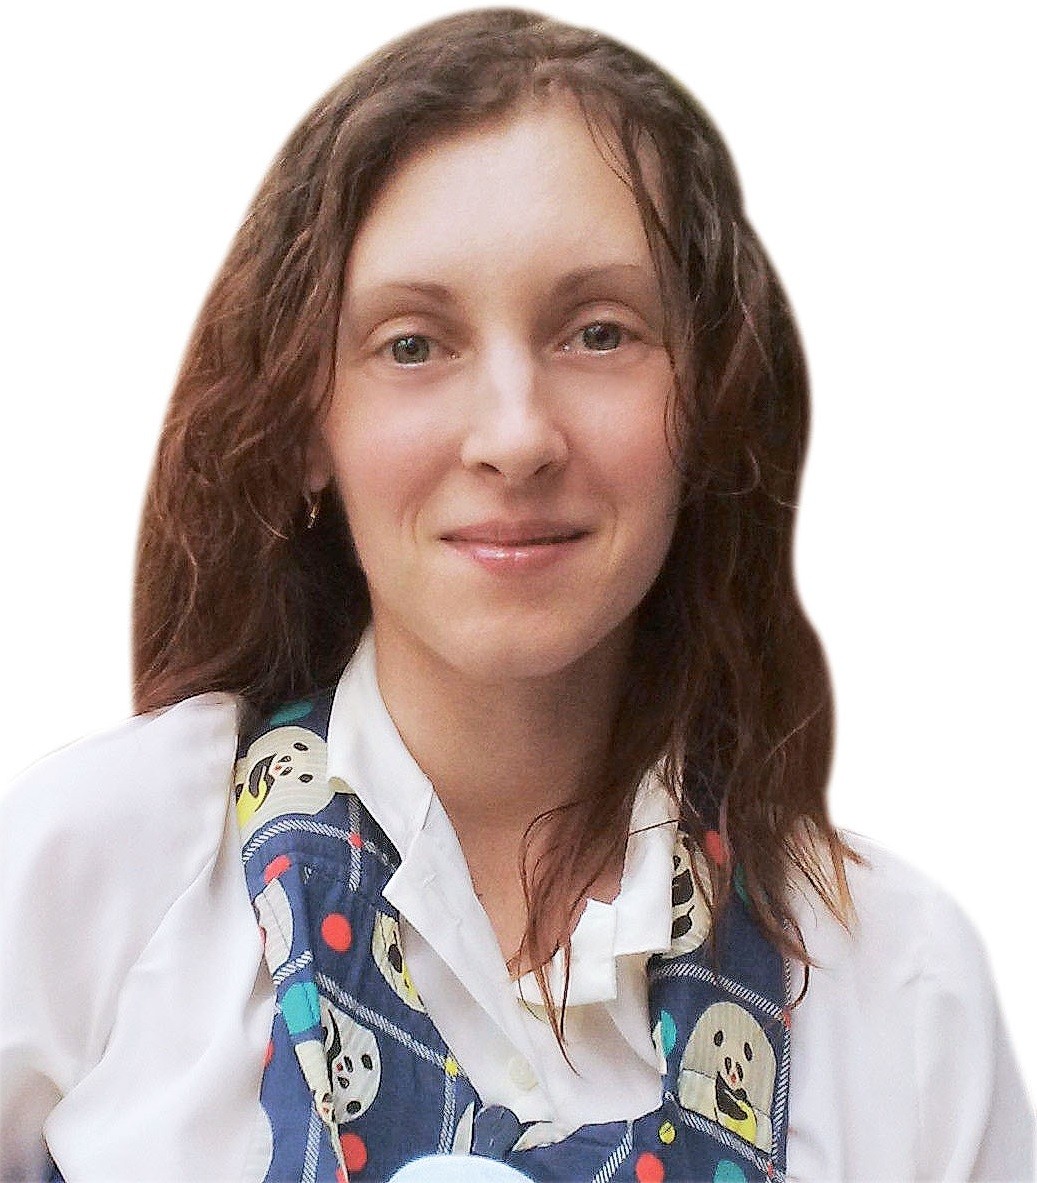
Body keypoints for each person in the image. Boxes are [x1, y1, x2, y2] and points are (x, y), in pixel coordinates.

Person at [1, 8, 1032, 1182]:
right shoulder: (95, 875)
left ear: (708, 403)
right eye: (411, 344)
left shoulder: (899, 997)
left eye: (598, 333)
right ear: (303, 424)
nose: (514, 435)